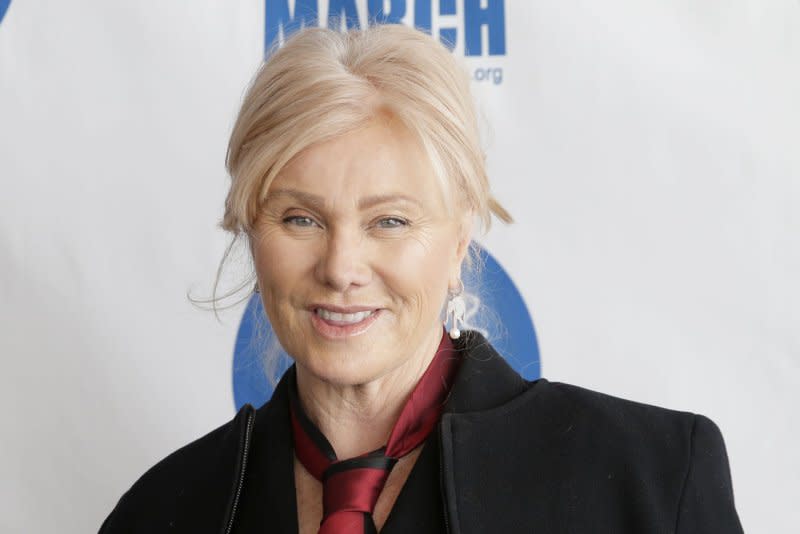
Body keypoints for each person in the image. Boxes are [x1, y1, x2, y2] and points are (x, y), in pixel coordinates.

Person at [99, 24, 744, 533]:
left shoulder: (653, 481)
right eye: (300, 218)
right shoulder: (160, 512)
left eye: (389, 221)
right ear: (249, 228)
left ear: (460, 236)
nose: (342, 268)